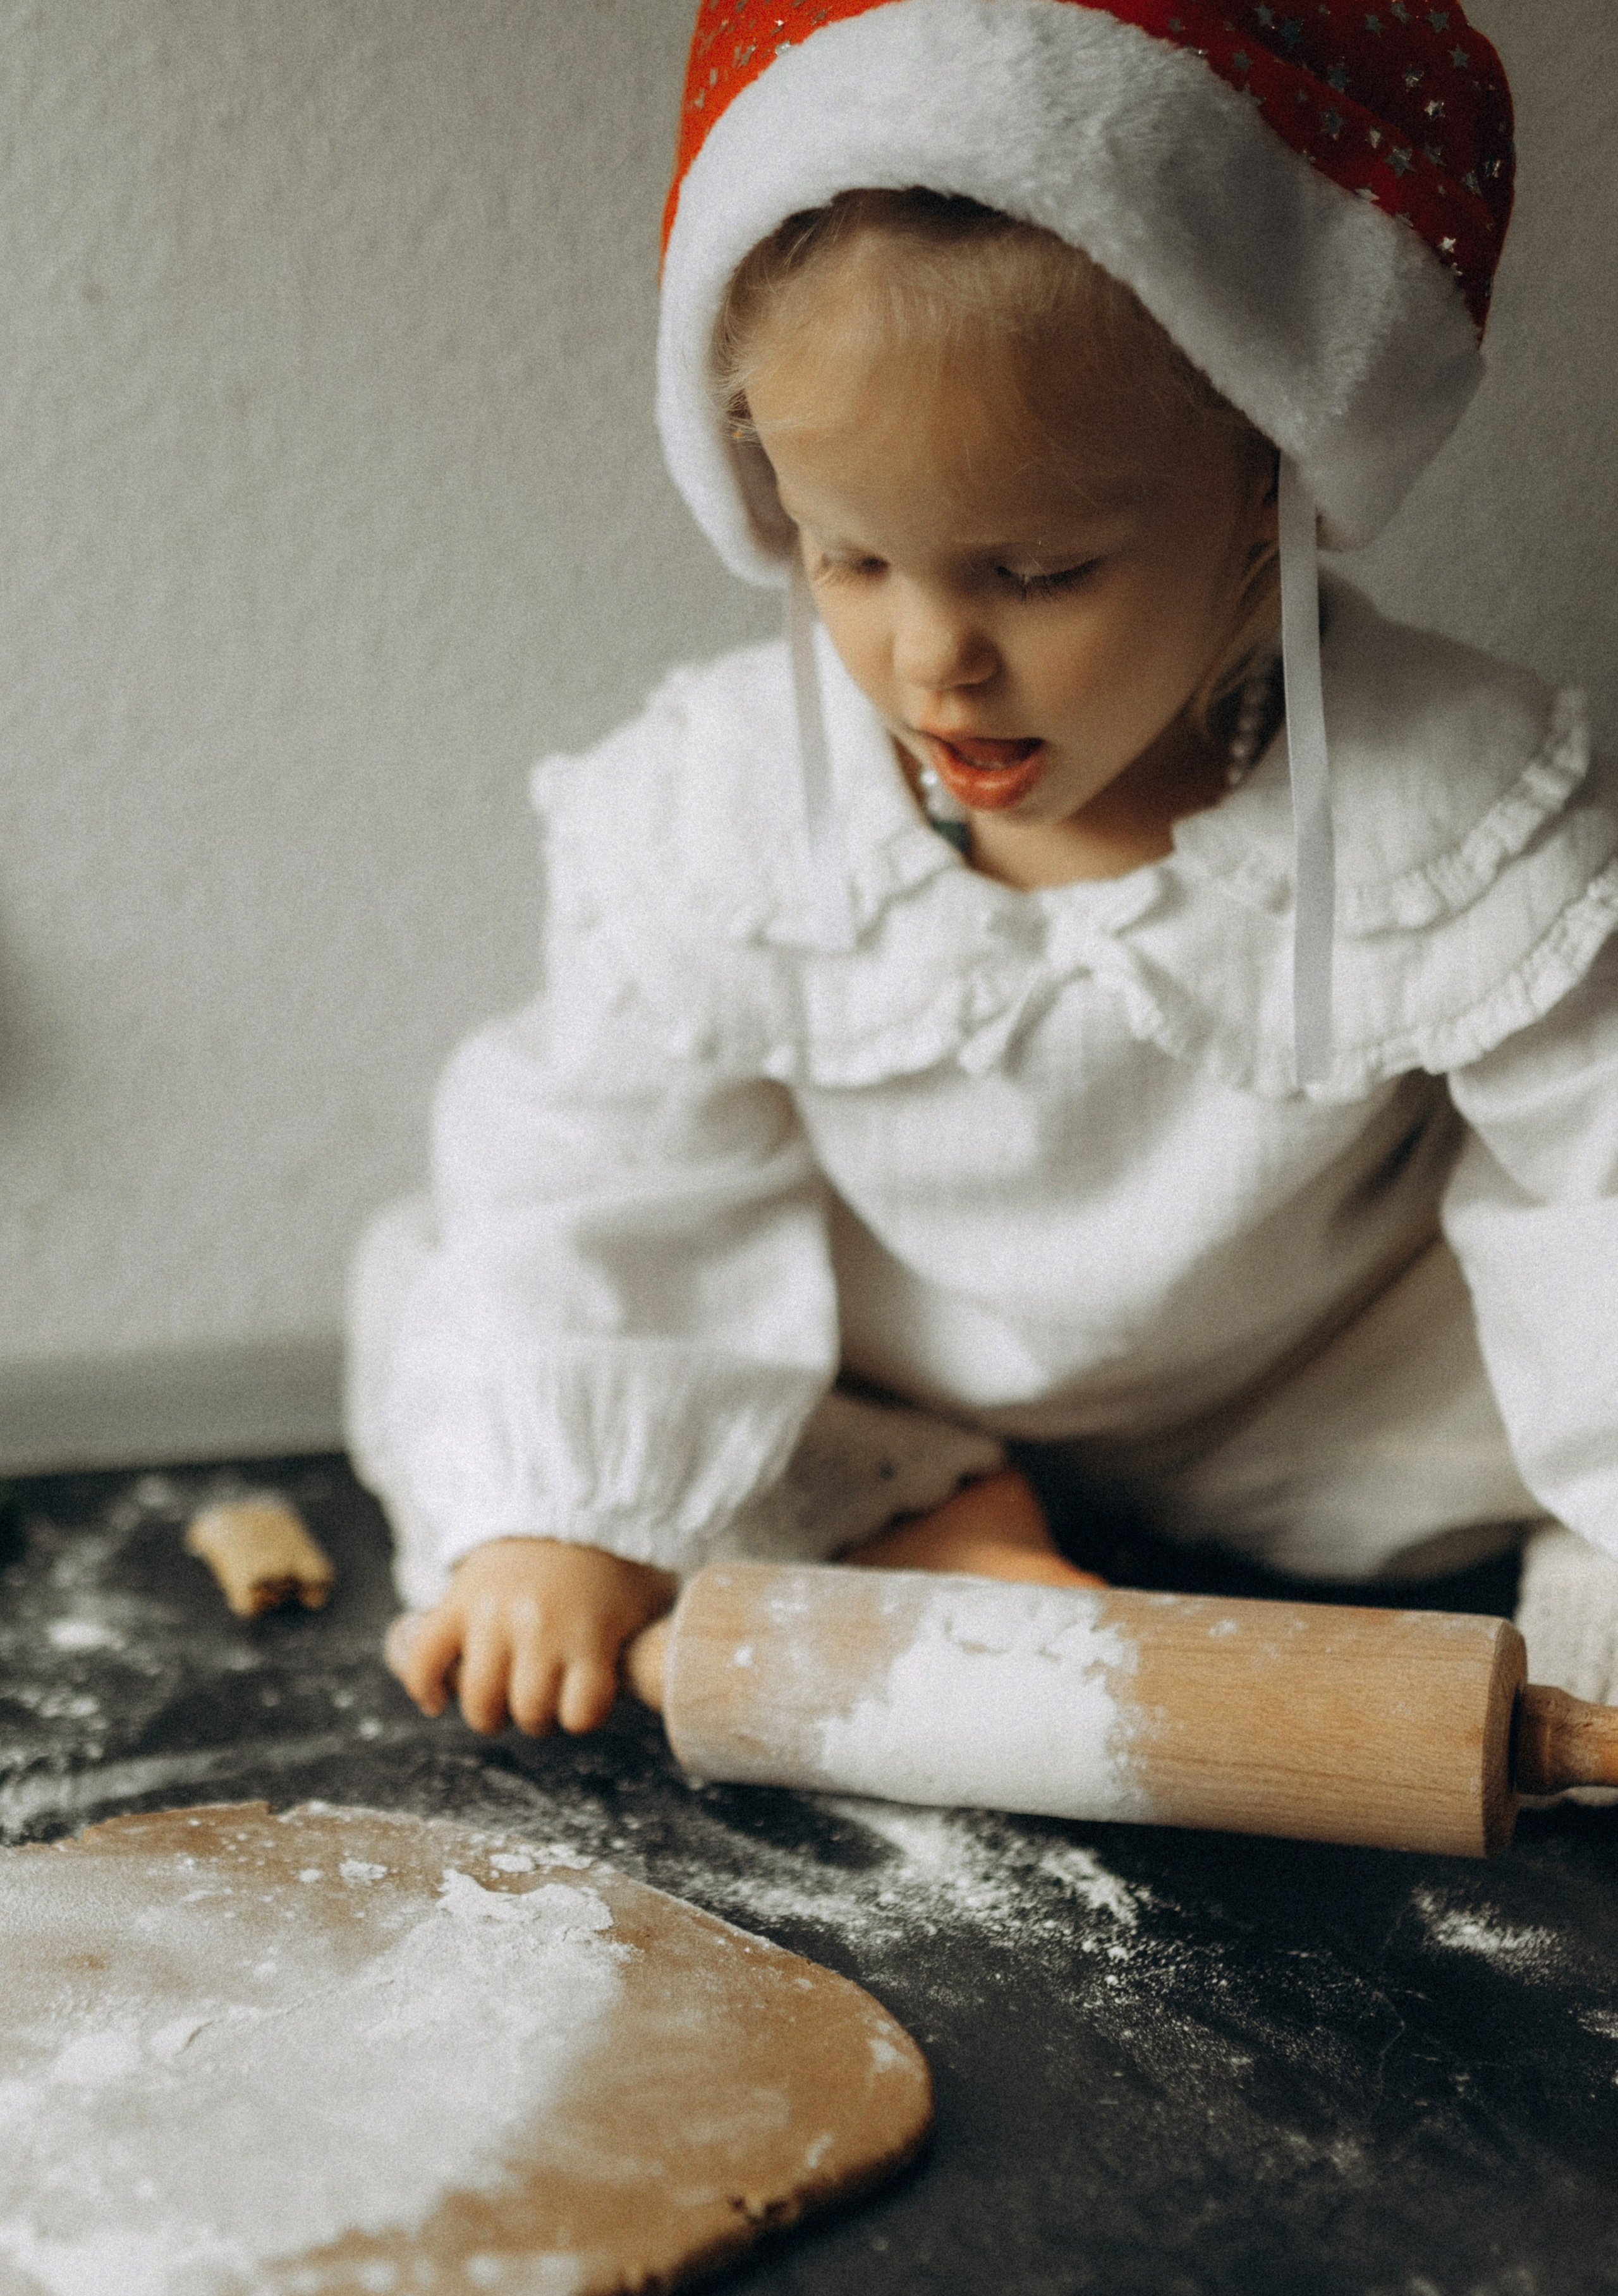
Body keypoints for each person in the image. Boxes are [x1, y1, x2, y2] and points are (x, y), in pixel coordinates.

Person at [350, 0, 1618, 1749]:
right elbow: (610, 1175)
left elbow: (1597, 1195)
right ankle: (933, 1513)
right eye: (847, 555)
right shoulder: (718, 809)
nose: (932, 659)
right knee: (457, 1275)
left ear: (1266, 482)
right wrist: (561, 1521)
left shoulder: (1451, 800)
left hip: (1317, 1407)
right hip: (881, 1377)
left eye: (1039, 570)